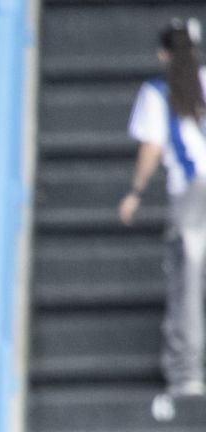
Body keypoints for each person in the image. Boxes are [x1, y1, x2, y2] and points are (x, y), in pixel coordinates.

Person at [121, 20, 206, 395]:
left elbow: (151, 149)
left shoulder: (157, 91)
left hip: (191, 195)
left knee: (187, 285)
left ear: (163, 54)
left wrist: (135, 192)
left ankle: (187, 373)